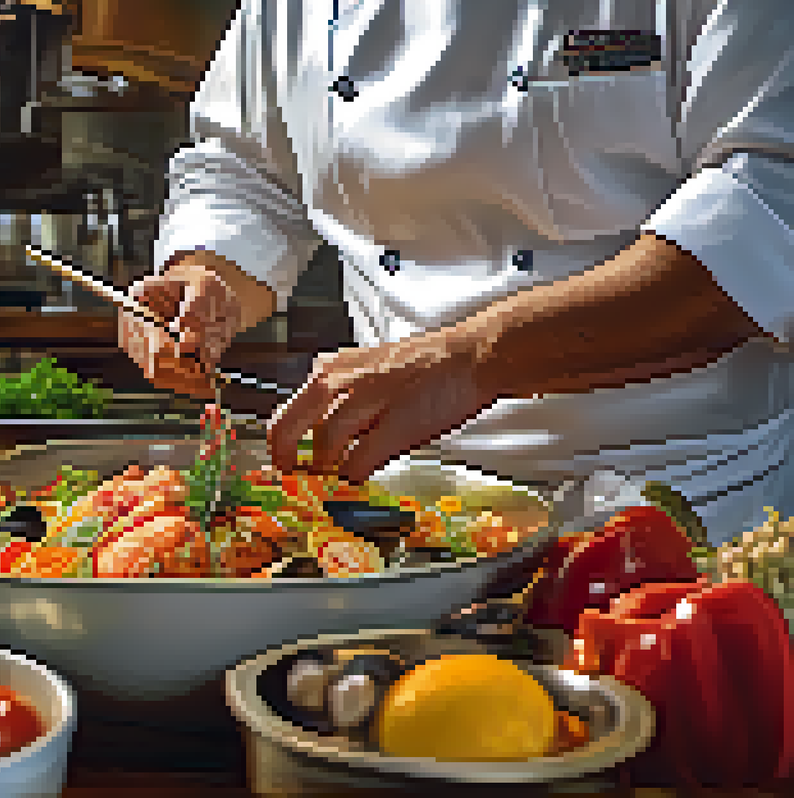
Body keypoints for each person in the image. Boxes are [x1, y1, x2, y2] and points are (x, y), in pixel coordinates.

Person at [118, 0, 794, 544]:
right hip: (406, 506)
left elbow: (767, 212)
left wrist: (466, 358)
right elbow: (246, 170)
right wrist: (209, 278)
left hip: (688, 505)